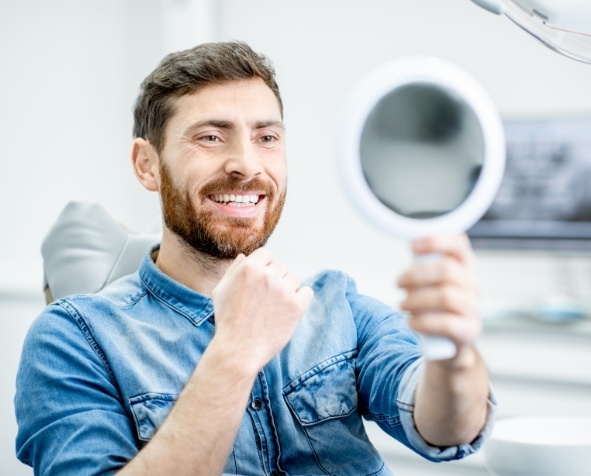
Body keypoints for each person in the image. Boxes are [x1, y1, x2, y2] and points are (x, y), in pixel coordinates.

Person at [15, 41, 496, 476]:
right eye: (210, 137)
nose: (247, 164)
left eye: (266, 137)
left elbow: (447, 429)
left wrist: (452, 354)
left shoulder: (338, 305)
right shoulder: (73, 339)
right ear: (147, 164)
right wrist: (234, 353)